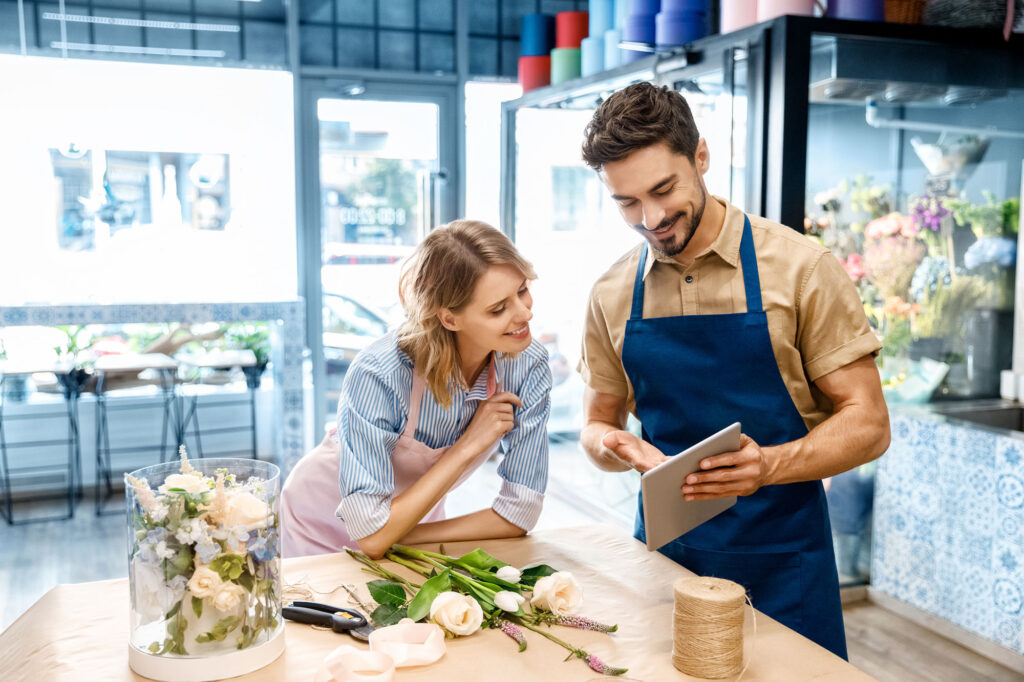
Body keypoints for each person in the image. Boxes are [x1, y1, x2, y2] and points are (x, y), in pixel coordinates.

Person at [576, 82, 890, 659]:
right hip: (663, 566)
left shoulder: (801, 269)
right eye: (626, 203)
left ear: (700, 156)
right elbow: (596, 425)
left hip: (785, 566)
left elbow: (869, 424)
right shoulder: (611, 292)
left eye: (663, 189)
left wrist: (768, 465)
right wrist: (619, 445)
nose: (651, 218)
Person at [281, 220, 551, 560]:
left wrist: (398, 534)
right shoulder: (380, 373)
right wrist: (467, 446)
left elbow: (520, 512)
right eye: (498, 309)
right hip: (316, 519)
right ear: (450, 319)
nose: (525, 313)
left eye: (522, 290)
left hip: (408, 523)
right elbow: (372, 535)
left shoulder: (527, 365)